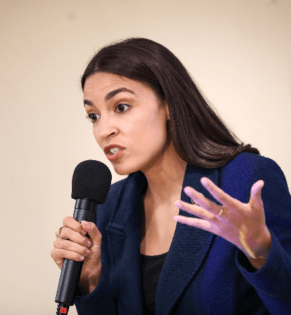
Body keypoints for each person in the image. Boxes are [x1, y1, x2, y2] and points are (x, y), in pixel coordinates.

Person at [50, 38, 291, 315]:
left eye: (121, 107)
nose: (104, 130)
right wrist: (90, 281)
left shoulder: (245, 179)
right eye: (93, 116)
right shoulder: (110, 207)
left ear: (168, 103)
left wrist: (262, 253)